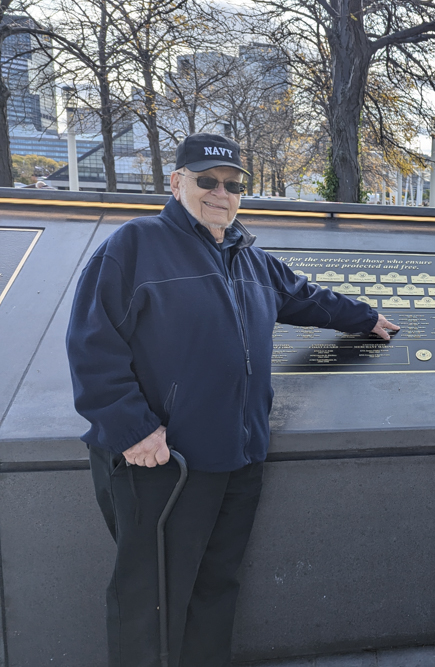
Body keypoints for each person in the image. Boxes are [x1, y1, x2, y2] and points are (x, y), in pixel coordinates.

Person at [66, 133, 399, 666]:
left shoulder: (247, 254)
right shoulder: (134, 245)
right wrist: (132, 428)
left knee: (216, 586)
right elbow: (91, 342)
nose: (222, 193)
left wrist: (366, 319)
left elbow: (305, 297)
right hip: (163, 462)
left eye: (233, 185)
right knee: (149, 597)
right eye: (207, 181)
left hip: (238, 457)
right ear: (176, 184)